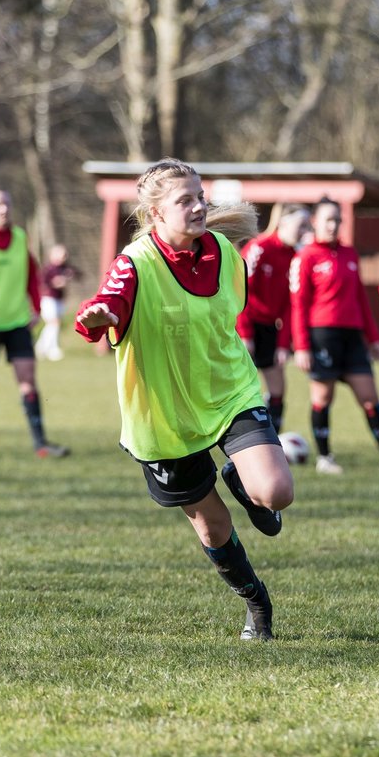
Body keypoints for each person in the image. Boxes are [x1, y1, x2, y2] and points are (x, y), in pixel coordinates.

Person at [75, 158, 294, 641]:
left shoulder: (224, 252)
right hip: (164, 417)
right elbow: (106, 303)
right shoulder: (134, 263)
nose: (199, 206)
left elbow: (230, 315)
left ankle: (242, 474)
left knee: (278, 493)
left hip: (228, 393)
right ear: (155, 214)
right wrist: (101, 316)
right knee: (213, 529)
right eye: (185, 200)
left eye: (201, 196)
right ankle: (256, 602)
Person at [0, 187, 69, 460]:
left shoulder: (20, 237)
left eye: (7, 204)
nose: (4, 209)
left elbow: (31, 274)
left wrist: (36, 308)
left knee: (28, 381)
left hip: (18, 322)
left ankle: (41, 444)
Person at [290, 198, 379, 474]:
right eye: (328, 219)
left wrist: (373, 336)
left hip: (352, 338)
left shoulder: (350, 254)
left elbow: (361, 300)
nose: (333, 225)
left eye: (337, 220)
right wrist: (302, 346)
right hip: (322, 336)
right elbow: (298, 304)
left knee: (370, 397)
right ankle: (325, 458)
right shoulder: (305, 257)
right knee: (323, 399)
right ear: (315, 222)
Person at [235, 204, 311, 432]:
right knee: (239, 387)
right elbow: (240, 291)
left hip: (270, 329)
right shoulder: (259, 247)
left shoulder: (295, 257)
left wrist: (282, 344)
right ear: (283, 223)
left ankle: (271, 438)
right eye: (301, 225)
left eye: (307, 226)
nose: (304, 231)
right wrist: (246, 334)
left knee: (278, 389)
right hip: (245, 326)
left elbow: (291, 305)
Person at [35, 243, 78, 361]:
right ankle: (52, 349)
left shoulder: (65, 268)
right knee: (54, 323)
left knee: (53, 324)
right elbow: (41, 284)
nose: (63, 257)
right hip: (48, 299)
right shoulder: (48, 269)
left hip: (59, 300)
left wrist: (70, 275)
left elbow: (78, 273)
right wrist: (55, 283)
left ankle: (41, 347)